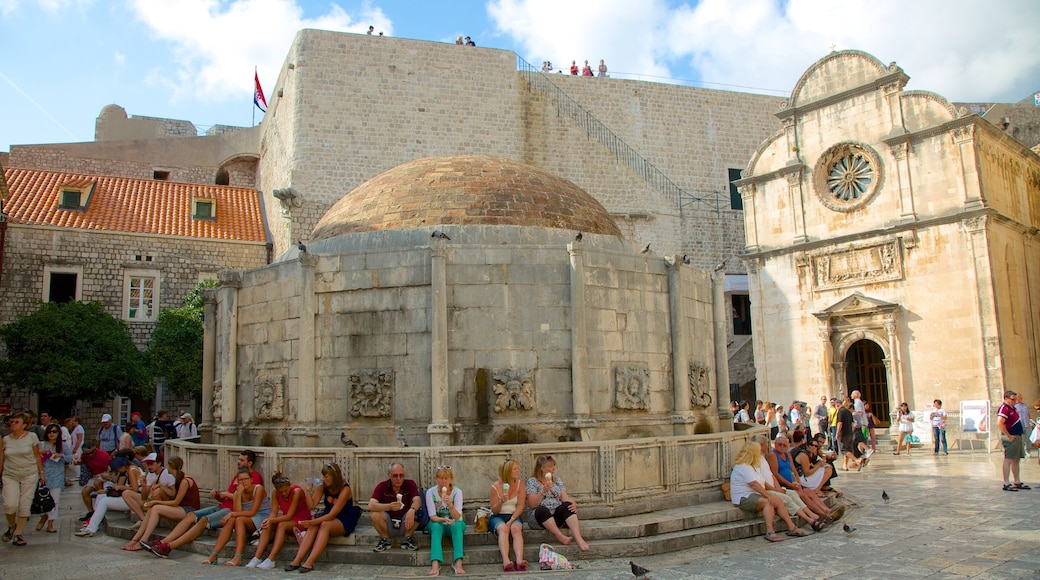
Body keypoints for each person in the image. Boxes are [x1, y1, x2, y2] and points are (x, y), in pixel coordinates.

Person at [139, 450, 262, 555]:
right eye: (238, 459)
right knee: (191, 516)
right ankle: (162, 542)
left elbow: (246, 499)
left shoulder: (253, 477)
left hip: (231, 510)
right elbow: (228, 496)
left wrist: (227, 494)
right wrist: (218, 495)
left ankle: (169, 547)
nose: (238, 461)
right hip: (222, 506)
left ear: (250, 463)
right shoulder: (238, 476)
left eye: (242, 460)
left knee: (203, 520)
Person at [285, 462, 359, 573]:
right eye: (323, 476)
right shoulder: (323, 485)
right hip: (327, 515)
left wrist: (312, 522)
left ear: (334, 477)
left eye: (326, 477)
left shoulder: (345, 489)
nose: (323, 479)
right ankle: (297, 560)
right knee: (314, 526)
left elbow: (332, 514)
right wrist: (308, 491)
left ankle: (310, 562)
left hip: (344, 518)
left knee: (324, 524)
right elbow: (311, 506)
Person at [728, 440, 806, 543]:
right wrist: (768, 495)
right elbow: (754, 484)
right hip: (744, 497)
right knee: (768, 502)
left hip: (754, 494)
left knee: (778, 500)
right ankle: (770, 531)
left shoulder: (753, 466)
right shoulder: (743, 466)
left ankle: (792, 527)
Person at [189, 469, 270, 565]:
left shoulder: (258, 489)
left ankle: (238, 556)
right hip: (246, 517)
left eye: (246, 479)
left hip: (261, 516)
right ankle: (214, 555)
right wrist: (238, 494)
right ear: (238, 482)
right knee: (232, 520)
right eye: (241, 480)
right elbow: (238, 511)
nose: (243, 482)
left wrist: (231, 514)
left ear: (251, 479)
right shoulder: (238, 492)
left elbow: (252, 512)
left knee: (238, 519)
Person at [121, 456, 200, 551]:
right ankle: (135, 539)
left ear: (171, 466)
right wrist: (158, 486)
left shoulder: (185, 481)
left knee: (155, 507)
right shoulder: (177, 478)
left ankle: (142, 541)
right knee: (152, 507)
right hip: (181, 507)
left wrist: (156, 501)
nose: (166, 467)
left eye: (168, 466)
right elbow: (146, 497)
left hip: (189, 510)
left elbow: (175, 502)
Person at [752, 436, 825, 532]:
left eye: (784, 445)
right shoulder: (768, 456)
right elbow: (766, 478)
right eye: (780, 444)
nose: (767, 447)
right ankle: (810, 519)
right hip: (770, 488)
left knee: (798, 493)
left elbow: (774, 474)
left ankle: (818, 514)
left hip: (780, 485)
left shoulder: (763, 458)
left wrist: (796, 483)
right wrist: (780, 488)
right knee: (792, 497)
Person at [246, 473, 313, 569]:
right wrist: (269, 520)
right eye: (281, 492)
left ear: (289, 485)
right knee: (267, 524)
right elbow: (274, 512)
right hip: (287, 519)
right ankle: (257, 557)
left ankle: (271, 559)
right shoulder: (275, 493)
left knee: (282, 525)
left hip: (300, 519)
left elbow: (289, 515)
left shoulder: (297, 492)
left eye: (286, 490)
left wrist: (272, 520)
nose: (284, 493)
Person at [765, 435, 837, 523]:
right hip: (783, 484)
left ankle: (826, 510)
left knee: (809, 492)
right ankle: (822, 514)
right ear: (775, 444)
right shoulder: (773, 455)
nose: (782, 447)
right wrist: (790, 484)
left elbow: (793, 469)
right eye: (780, 444)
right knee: (803, 495)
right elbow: (775, 474)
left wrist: (798, 482)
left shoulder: (787, 454)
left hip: (792, 482)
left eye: (784, 445)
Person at [525, 454, 589, 551]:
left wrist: (572, 503)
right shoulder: (532, 481)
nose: (553, 469)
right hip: (540, 517)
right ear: (542, 468)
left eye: (553, 466)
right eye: (550, 466)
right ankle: (560, 536)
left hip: (556, 513)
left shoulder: (556, 479)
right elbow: (532, 504)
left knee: (567, 506)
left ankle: (578, 538)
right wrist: (543, 491)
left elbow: (564, 497)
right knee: (542, 510)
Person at [0, 412, 44, 546]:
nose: (13, 424)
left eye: (16, 422)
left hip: (29, 474)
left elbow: (37, 455)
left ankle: (18, 534)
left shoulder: (32, 437)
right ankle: (11, 526)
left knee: (25, 504)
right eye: (12, 422)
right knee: (9, 505)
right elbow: (2, 456)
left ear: (24, 425)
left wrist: (41, 473)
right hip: (10, 474)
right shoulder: (6, 439)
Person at [75, 453, 143, 537]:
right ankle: (93, 523)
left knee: (104, 501)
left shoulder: (131, 470)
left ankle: (91, 528)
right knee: (100, 496)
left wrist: (121, 487)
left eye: (117, 469)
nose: (117, 471)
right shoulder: (130, 469)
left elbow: (135, 489)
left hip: (134, 500)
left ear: (122, 466)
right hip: (130, 497)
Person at [369, 462, 423, 552]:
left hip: (406, 522)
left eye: (401, 475)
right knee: (375, 515)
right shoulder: (382, 486)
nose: (398, 479)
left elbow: (417, 500)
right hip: (388, 523)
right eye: (395, 476)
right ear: (389, 475)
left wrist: (412, 510)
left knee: (419, 512)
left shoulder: (410, 484)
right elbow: (371, 505)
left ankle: (407, 537)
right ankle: (385, 539)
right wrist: (389, 506)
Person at [425, 466, 466, 576]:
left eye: (446, 478)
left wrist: (450, 505)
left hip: (454, 522)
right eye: (441, 478)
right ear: (436, 479)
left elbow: (457, 516)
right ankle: (435, 563)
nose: (443, 481)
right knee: (436, 526)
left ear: (451, 479)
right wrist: (444, 519)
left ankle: (458, 563)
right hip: (438, 522)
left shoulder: (457, 492)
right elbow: (432, 516)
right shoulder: (430, 492)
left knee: (457, 526)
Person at [490, 459, 526, 572]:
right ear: (507, 471)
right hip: (498, 516)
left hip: (513, 515)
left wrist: (511, 520)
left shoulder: (520, 485)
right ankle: (506, 561)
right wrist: (500, 501)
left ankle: (519, 560)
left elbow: (520, 506)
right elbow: (494, 511)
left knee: (516, 529)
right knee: (503, 529)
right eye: (514, 469)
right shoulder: (495, 487)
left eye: (517, 468)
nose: (517, 471)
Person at [37, 422, 72, 533]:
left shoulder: (63, 446)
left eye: (54, 432)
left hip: (57, 476)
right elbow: (34, 458)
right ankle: (44, 517)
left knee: (54, 501)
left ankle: (50, 524)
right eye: (49, 432)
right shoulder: (42, 445)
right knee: (43, 500)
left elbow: (70, 458)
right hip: (43, 475)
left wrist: (61, 455)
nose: (52, 434)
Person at [122, 452, 175, 523]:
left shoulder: (167, 474)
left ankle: (155, 516)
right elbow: (144, 497)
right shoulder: (150, 474)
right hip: (150, 500)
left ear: (159, 463)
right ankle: (143, 519)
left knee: (157, 491)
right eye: (148, 464)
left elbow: (173, 494)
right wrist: (144, 486)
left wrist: (161, 487)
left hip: (163, 503)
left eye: (152, 464)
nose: (149, 467)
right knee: (126, 493)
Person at [997, 391, 1029, 491]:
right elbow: (1000, 423)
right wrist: (1009, 436)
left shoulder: (1012, 408)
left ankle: (1017, 481)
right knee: (1009, 459)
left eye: (1015, 399)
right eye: (1012, 399)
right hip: (1010, 437)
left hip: (1017, 436)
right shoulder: (1004, 408)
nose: (1015, 401)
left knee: (1016, 459)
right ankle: (1006, 483)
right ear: (1006, 398)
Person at [76, 441, 113, 522]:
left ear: (95, 450)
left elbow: (111, 466)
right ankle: (91, 512)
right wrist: (76, 461)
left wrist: (107, 475)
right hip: (95, 475)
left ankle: (101, 509)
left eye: (91, 453)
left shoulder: (103, 454)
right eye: (87, 454)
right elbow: (80, 462)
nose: (89, 455)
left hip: (105, 473)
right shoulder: (84, 456)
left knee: (97, 483)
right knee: (85, 492)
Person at [67, 416, 85, 486]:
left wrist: (75, 448)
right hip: (74, 447)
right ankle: (76, 474)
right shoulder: (75, 429)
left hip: (77, 447)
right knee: (73, 461)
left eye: (73, 421)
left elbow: (79, 439)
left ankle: (78, 475)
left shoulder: (79, 428)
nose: (72, 422)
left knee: (76, 460)